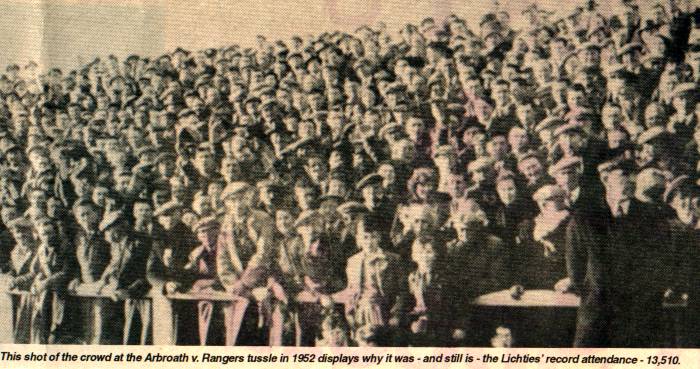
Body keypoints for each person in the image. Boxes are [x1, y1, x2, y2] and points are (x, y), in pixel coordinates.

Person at [566, 158, 672, 347]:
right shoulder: (584, 217)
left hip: (639, 317)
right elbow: (576, 271)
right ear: (606, 179)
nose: (631, 181)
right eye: (624, 176)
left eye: (633, 177)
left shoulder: (653, 217)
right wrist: (596, 291)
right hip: (597, 315)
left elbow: (662, 263)